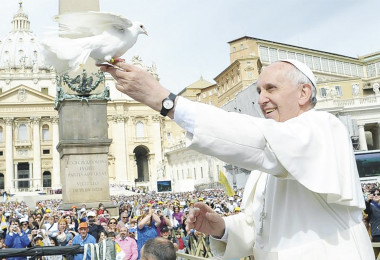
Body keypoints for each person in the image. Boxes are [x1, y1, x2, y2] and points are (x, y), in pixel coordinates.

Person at [101, 59, 374, 259]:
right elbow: (257, 226)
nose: (261, 99)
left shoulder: (323, 127)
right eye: (258, 91)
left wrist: (166, 101)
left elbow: (259, 139)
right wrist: (222, 227)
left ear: (303, 93)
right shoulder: (269, 162)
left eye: (271, 89)